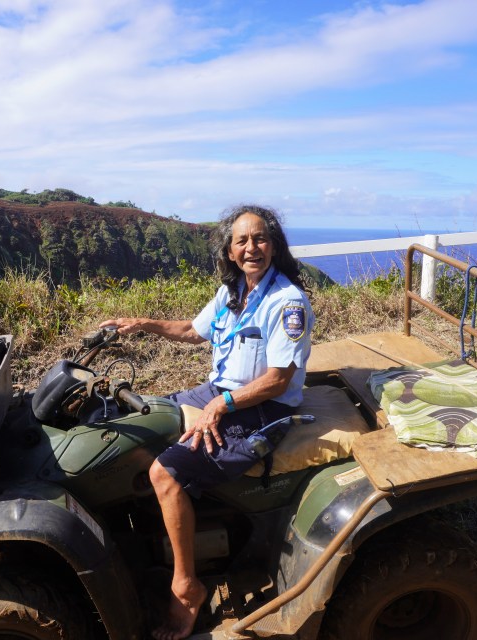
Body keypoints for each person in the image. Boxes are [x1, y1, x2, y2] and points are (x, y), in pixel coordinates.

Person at [99, 205, 315, 640]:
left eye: (260, 239)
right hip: (220, 393)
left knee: (165, 472)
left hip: (261, 409)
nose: (251, 248)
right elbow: (192, 331)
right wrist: (140, 324)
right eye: (242, 241)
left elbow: (277, 381)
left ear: (273, 245)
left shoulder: (287, 302)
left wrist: (223, 405)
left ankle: (186, 586)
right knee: (143, 420)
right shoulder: (234, 291)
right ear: (231, 250)